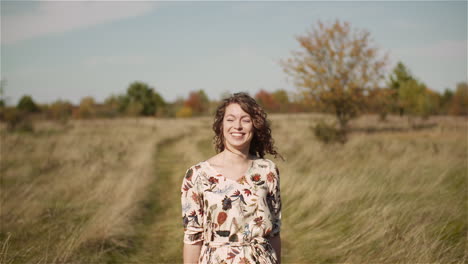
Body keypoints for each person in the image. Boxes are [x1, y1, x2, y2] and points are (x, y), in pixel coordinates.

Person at [181, 92, 283, 264]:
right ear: (221, 125)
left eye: (245, 119)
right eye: (230, 119)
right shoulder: (197, 175)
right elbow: (192, 237)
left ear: (255, 126)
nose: (237, 126)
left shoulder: (268, 171)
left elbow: (274, 233)